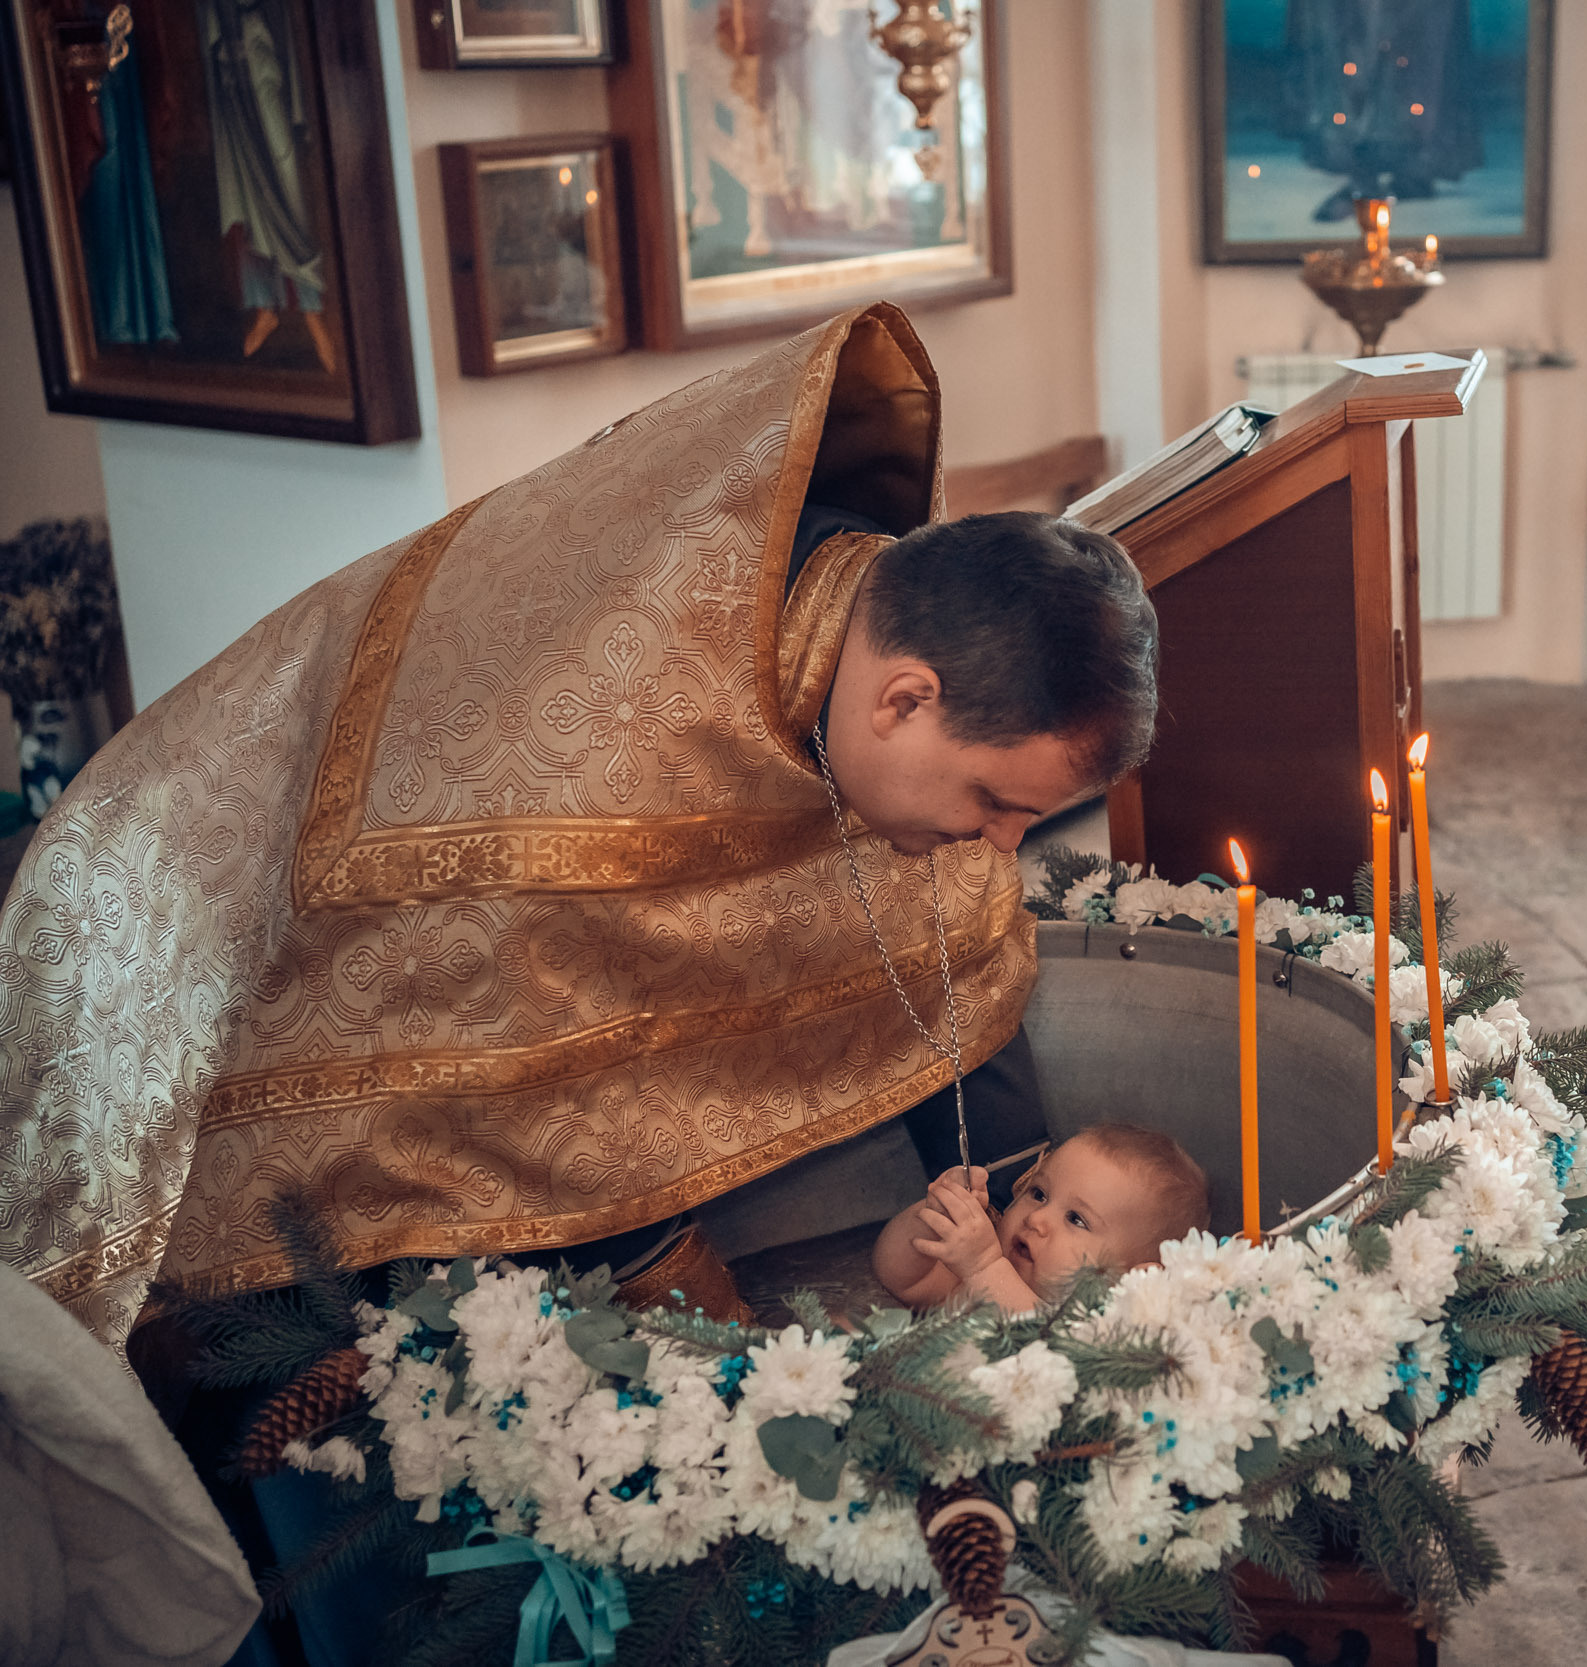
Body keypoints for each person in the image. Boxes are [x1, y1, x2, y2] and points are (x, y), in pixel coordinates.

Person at [0, 303, 1158, 1352]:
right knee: (290, 1368)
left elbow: (943, 946)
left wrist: (1015, 1212)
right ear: (903, 699)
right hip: (177, 907)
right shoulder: (584, 767)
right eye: (998, 804)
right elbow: (530, 1100)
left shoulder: (874, 628)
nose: (1004, 845)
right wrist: (706, 1325)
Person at [873, 1123, 1213, 1312]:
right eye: (1039, 1194)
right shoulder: (970, 1285)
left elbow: (1040, 1342)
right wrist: (933, 1216)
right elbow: (900, 1278)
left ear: (1134, 1283)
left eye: (1076, 1219)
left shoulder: (1096, 1338)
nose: (1038, 1218)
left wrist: (984, 1267)